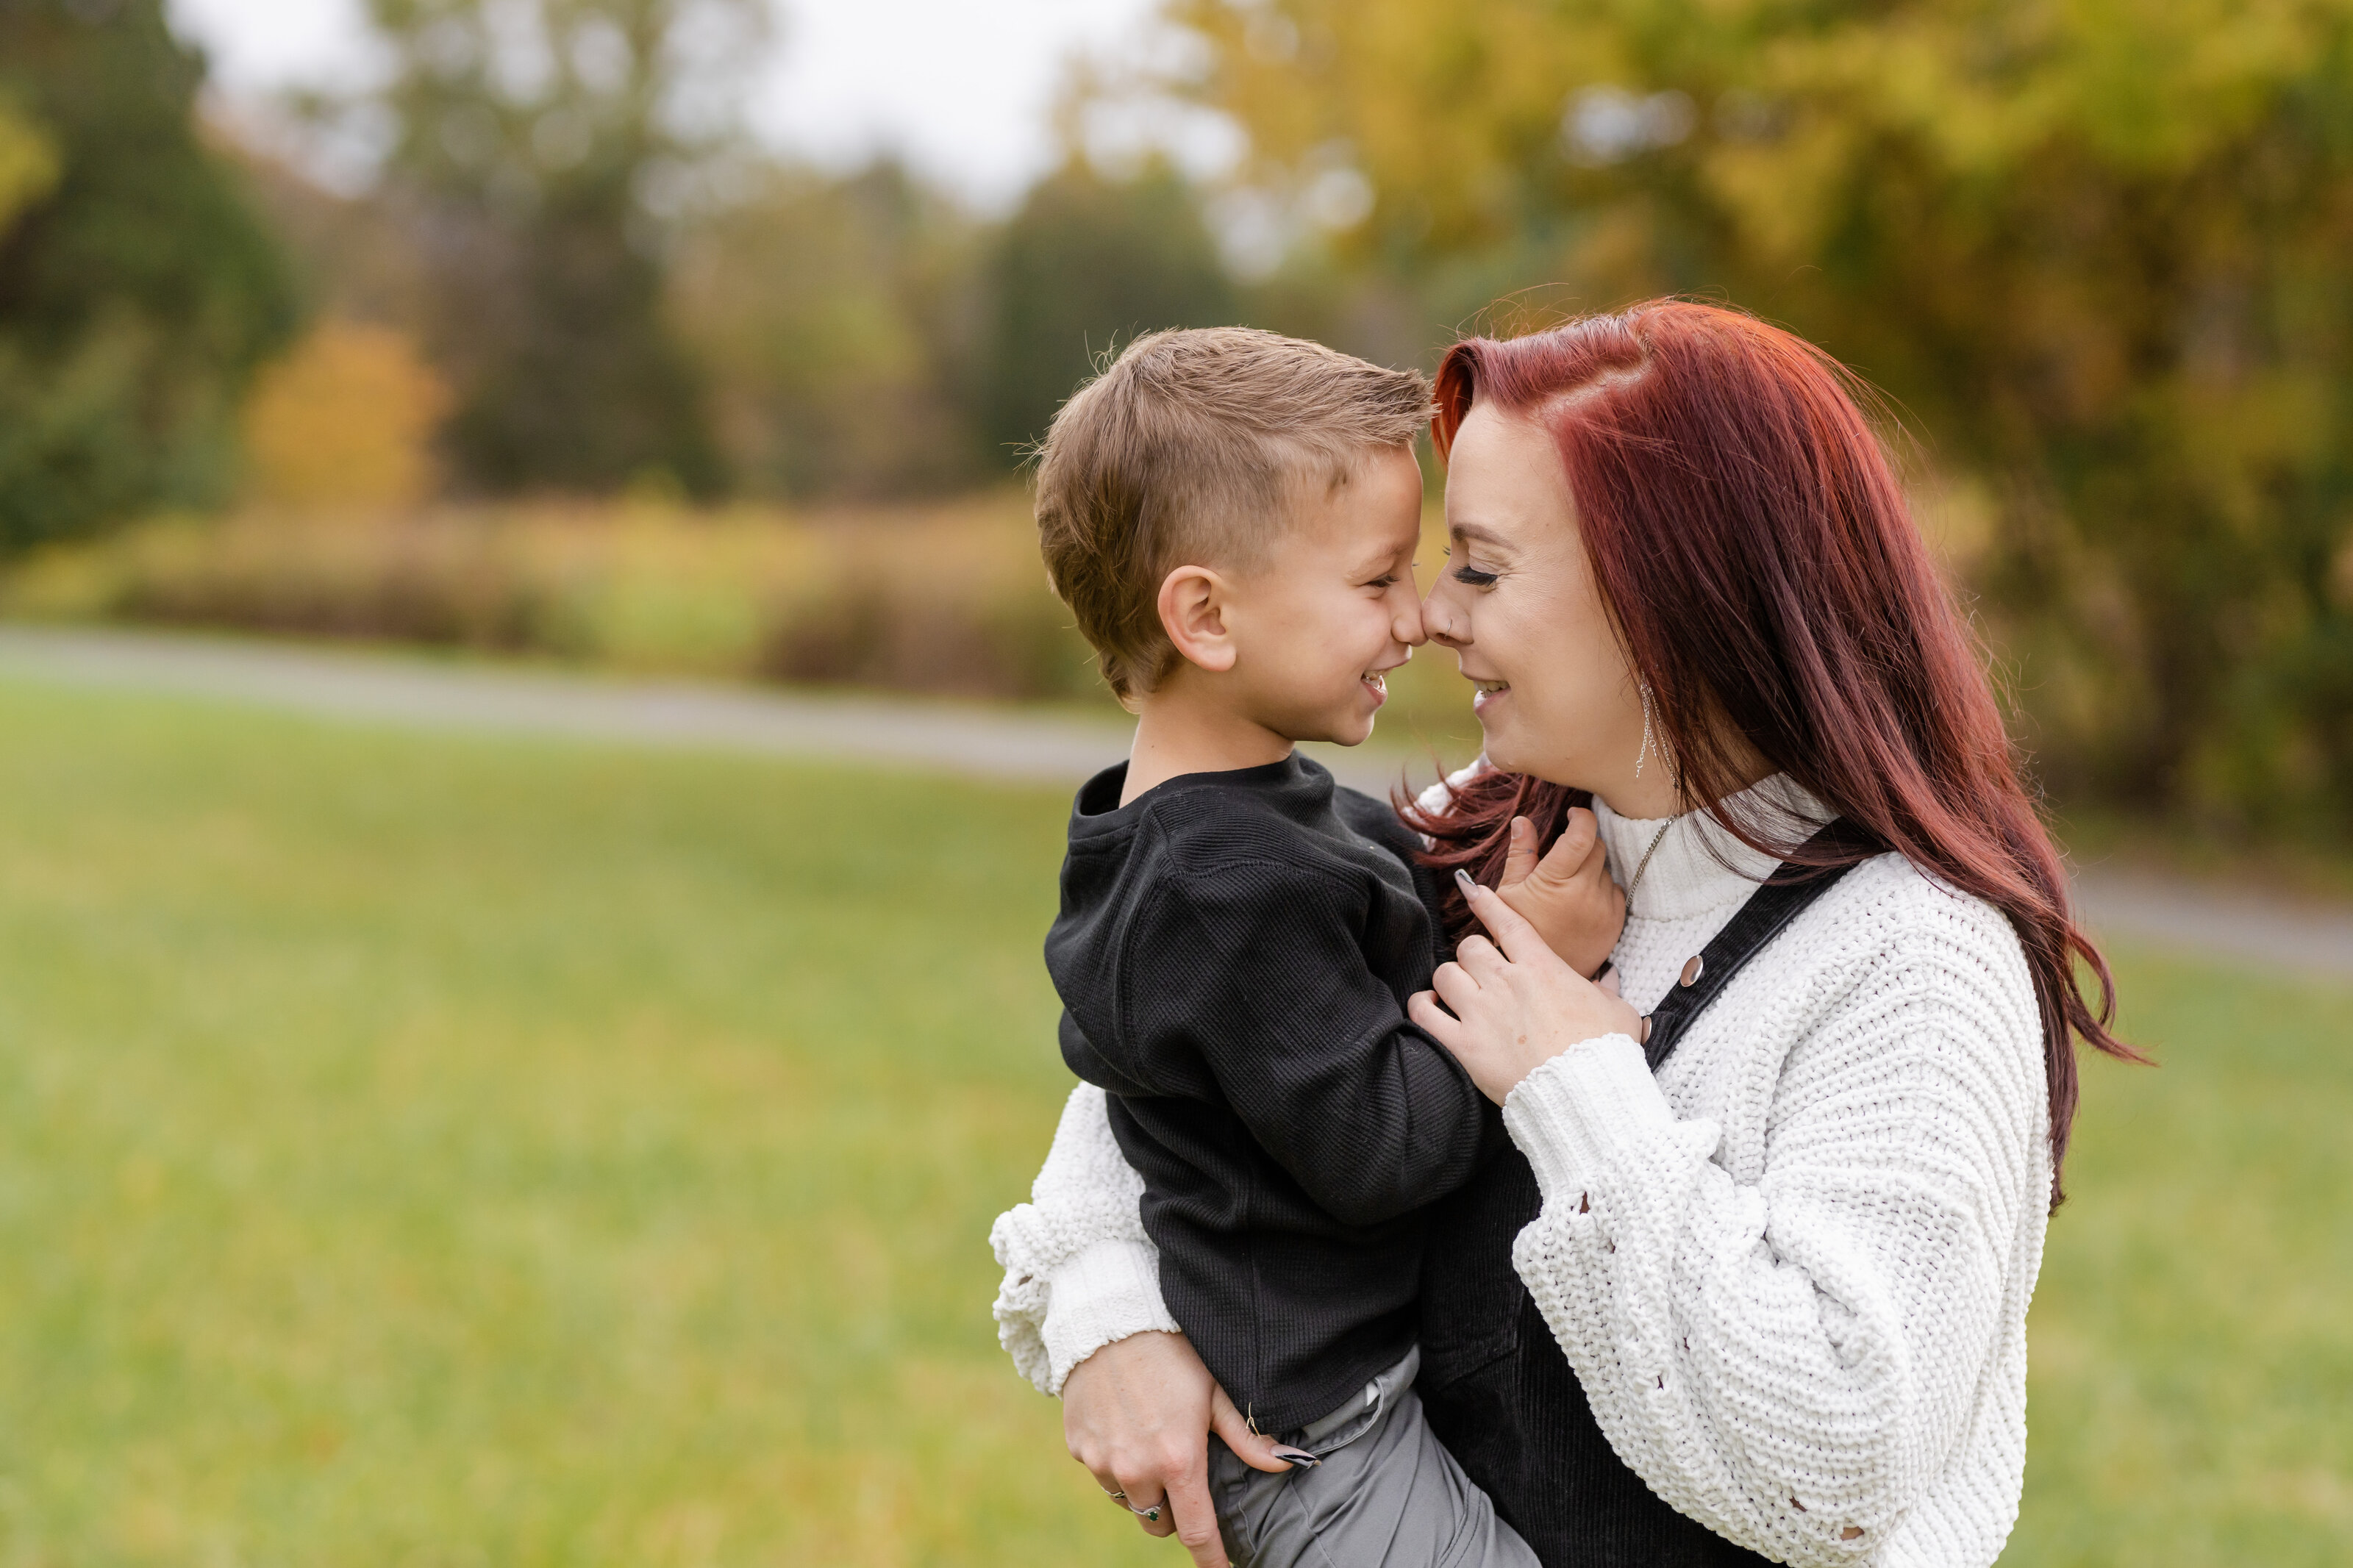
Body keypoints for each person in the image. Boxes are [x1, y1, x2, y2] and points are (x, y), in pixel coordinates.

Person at [990, 301, 2138, 1568]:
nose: (1431, 614)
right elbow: (1165, 1072)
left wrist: (1570, 1082)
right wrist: (1107, 1307)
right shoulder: (1478, 837)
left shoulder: (1916, 960)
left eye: (1479, 565)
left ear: (1671, 595)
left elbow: (1845, 1454)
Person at [1006, 326, 1629, 1567]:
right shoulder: (1223, 889)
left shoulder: (1243, 820)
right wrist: (1536, 967)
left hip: (1360, 1412)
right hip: (1321, 1452)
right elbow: (1383, 1149)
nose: (1417, 617)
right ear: (1207, 617)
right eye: (1374, 580)